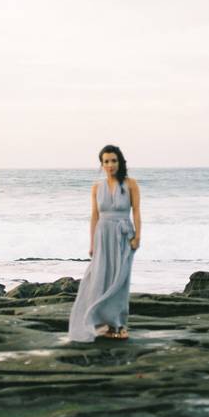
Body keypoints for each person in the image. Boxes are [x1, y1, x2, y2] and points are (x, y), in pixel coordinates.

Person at [68, 144, 141, 341]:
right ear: (102, 164)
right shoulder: (96, 188)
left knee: (120, 279)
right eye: (106, 161)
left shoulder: (131, 184)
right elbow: (94, 216)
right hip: (102, 235)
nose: (110, 165)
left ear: (120, 162)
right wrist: (92, 243)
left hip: (123, 235)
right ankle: (101, 322)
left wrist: (138, 237)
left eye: (114, 161)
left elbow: (136, 212)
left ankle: (119, 323)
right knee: (100, 277)